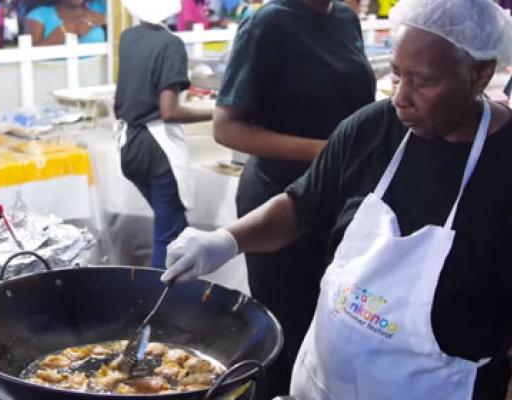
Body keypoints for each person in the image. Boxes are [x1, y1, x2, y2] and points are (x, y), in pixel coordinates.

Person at [162, 0, 512, 398]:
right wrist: (225, 240)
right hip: (325, 382)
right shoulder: (373, 128)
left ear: (480, 73)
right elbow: (299, 206)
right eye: (396, 75)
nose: (401, 97)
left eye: (424, 81)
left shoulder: (502, 166)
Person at [211, 0, 376, 396]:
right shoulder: (269, 23)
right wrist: (329, 151)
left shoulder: (345, 19)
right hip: (279, 197)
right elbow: (227, 129)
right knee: (287, 332)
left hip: (340, 197)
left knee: (337, 323)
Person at [114, 0, 213, 269]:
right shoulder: (171, 45)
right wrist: (215, 112)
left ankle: (177, 295)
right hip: (157, 149)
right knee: (169, 238)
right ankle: (155, 302)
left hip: (129, 146)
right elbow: (169, 112)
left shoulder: (128, 37)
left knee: (177, 228)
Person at [24, 0, 106, 46]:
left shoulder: (101, 7)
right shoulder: (38, 15)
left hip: (98, 75)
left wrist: (107, 20)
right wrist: (65, 30)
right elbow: (30, 59)